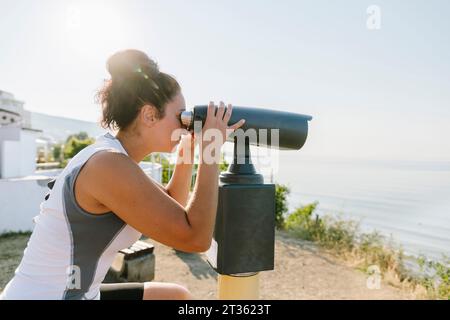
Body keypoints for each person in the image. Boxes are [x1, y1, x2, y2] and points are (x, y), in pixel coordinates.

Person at [0, 49, 245, 300]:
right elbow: (195, 238)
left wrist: (188, 152)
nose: (186, 125)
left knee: (175, 296)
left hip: (79, 292)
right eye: (181, 117)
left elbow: (173, 202)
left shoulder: (113, 157)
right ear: (149, 115)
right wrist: (211, 152)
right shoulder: (107, 165)